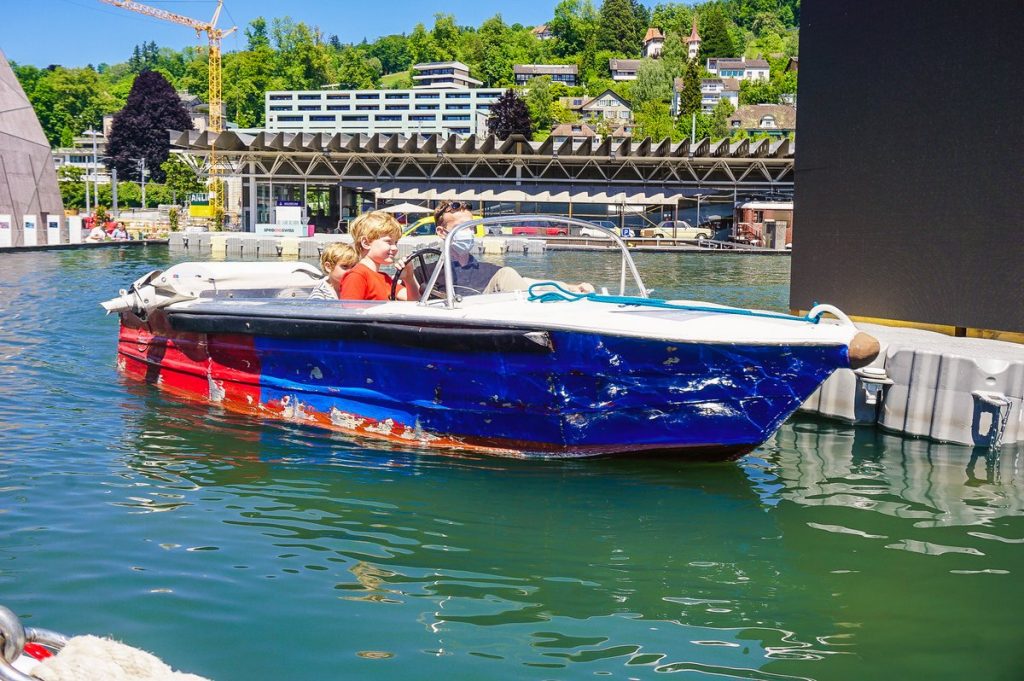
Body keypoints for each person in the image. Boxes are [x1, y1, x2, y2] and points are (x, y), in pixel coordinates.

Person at [427, 201, 594, 296]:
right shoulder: (427, 271)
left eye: (471, 227)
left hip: (490, 321)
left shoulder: (490, 271)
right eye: (461, 227)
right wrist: (406, 276)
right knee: (507, 274)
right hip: (459, 322)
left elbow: (527, 283)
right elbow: (405, 293)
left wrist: (572, 288)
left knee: (511, 275)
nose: (469, 233)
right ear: (442, 232)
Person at [339, 211, 419, 301]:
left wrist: (409, 279)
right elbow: (348, 312)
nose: (395, 248)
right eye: (388, 242)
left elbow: (414, 301)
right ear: (366, 243)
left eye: (396, 242)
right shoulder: (356, 276)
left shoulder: (384, 278)